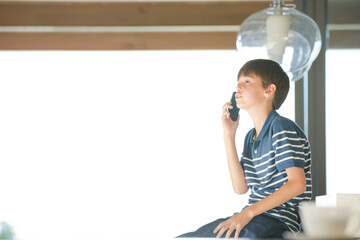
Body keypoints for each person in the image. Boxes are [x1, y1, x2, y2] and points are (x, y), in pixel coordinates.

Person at [177, 59, 312, 239]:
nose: (237, 88)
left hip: (276, 221)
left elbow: (297, 184)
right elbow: (241, 187)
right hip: (254, 217)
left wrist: (247, 213)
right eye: (238, 83)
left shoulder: (280, 127)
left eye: (247, 82)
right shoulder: (251, 137)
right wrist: (229, 134)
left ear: (269, 90)